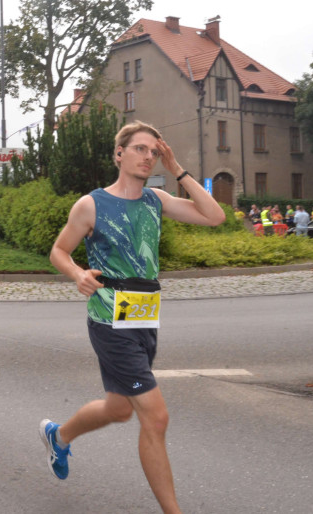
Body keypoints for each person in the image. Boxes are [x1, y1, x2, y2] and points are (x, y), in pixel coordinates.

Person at [42, 121, 225, 512]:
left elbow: (214, 216)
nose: (148, 156)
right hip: (108, 319)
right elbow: (59, 251)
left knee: (120, 409)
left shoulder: (156, 200)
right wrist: (78, 274)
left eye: (154, 151)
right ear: (119, 154)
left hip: (143, 318)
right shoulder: (91, 204)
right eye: (140, 149)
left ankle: (59, 437)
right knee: (155, 418)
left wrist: (178, 169)